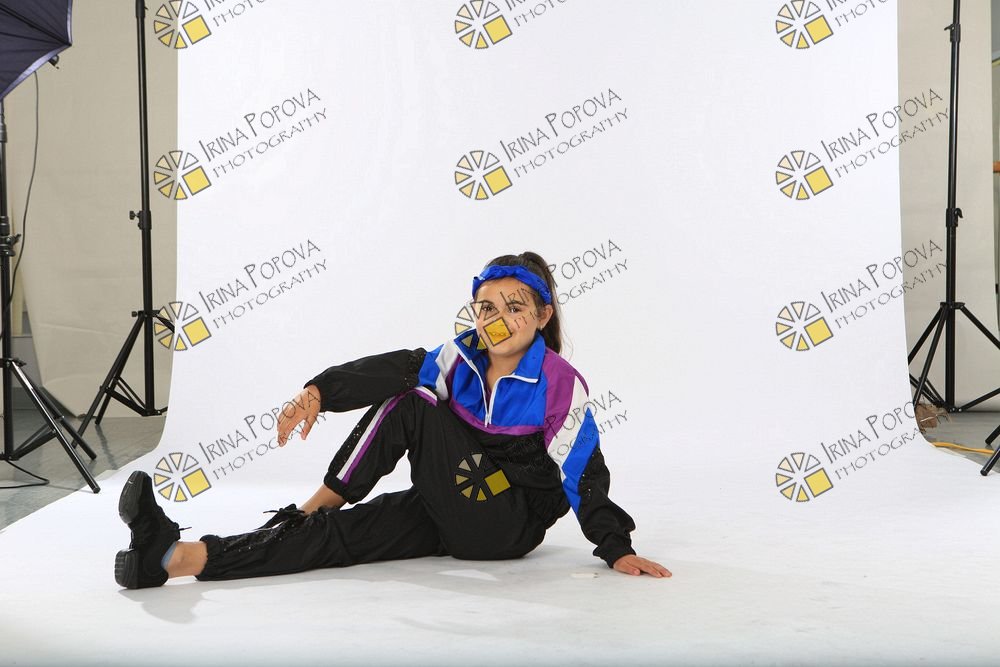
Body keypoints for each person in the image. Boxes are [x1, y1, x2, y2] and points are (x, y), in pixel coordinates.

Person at [114, 252, 670, 589]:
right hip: (451, 505)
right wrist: (319, 391)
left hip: (506, 524)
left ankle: (308, 509)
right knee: (338, 538)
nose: (497, 320)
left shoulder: (558, 382)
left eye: (514, 307)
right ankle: (172, 559)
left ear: (543, 315)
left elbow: (584, 471)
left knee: (412, 403)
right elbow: (395, 367)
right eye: (486, 308)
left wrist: (615, 547)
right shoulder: (461, 358)